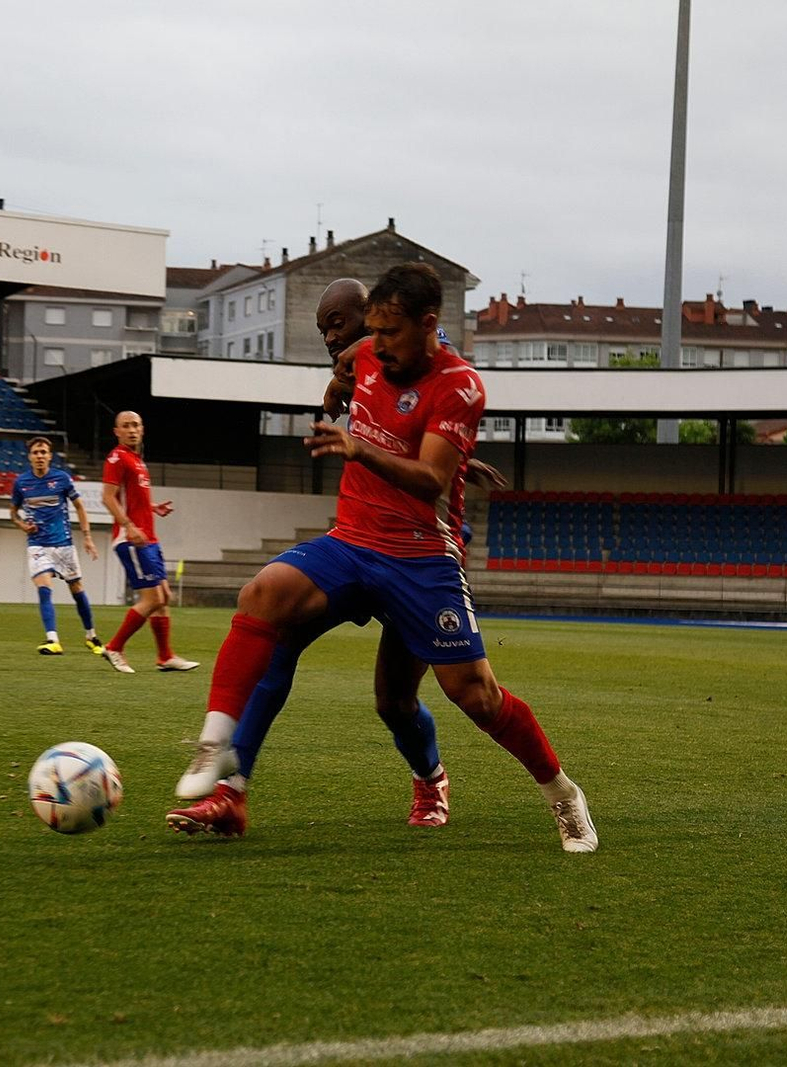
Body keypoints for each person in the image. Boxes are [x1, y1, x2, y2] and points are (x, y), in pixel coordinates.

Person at [170, 263, 597, 852]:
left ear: (424, 325)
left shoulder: (458, 382)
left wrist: (368, 448)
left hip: (421, 558)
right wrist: (338, 388)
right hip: (353, 540)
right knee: (265, 602)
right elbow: (355, 377)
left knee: (440, 698)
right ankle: (225, 773)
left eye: (367, 329)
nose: (359, 342)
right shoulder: (367, 352)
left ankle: (554, 793)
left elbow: (429, 477)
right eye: (358, 331)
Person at [168, 279, 454, 837]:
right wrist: (342, 375)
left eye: (337, 324)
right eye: (323, 329)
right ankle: (231, 793)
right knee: (275, 640)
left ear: (373, 315)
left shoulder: (419, 351)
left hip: (415, 557)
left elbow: (438, 352)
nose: (329, 338)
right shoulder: (360, 375)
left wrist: (348, 364)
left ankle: (431, 778)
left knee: (394, 702)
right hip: (354, 544)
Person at [98, 410, 198, 674]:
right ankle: (114, 647)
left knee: (163, 597)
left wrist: (151, 507)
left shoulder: (137, 460)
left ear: (142, 429)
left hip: (149, 537)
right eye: (126, 426)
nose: (132, 430)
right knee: (153, 599)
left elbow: (130, 497)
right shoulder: (117, 457)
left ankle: (165, 657)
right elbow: (107, 497)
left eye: (136, 425)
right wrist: (128, 525)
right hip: (131, 538)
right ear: (116, 431)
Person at [10, 436, 103, 655]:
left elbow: (80, 507)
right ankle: (53, 640)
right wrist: (22, 525)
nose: (40, 456)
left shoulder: (61, 478)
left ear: (50, 456)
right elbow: (13, 512)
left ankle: (91, 636)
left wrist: (87, 537)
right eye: (36, 452)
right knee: (44, 589)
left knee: (77, 589)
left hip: (63, 544)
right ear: (29, 457)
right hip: (37, 545)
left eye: (43, 452)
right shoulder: (21, 483)